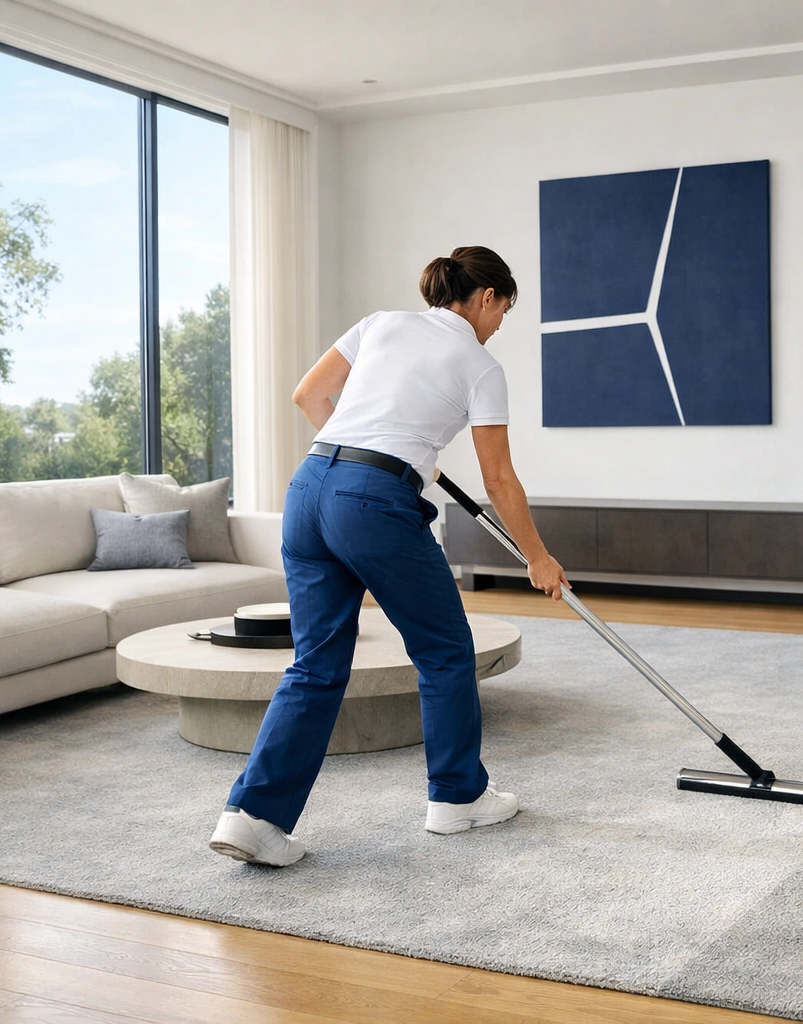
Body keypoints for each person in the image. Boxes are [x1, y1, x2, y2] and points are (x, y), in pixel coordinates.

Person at [209, 246, 567, 867]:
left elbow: (308, 396)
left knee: (315, 665)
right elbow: (500, 479)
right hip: (372, 502)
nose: (500, 323)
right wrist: (538, 557)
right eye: (504, 309)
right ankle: (457, 799)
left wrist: (372, 451)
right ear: (487, 297)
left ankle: (253, 817)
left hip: (311, 483)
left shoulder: (379, 324)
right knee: (445, 650)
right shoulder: (481, 365)